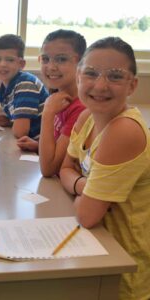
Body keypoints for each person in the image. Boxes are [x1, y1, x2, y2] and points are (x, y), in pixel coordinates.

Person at [59, 37, 150, 300]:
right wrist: (83, 187)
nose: (100, 85)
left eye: (115, 76)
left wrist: (82, 195)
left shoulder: (124, 131)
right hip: (94, 247)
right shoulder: (86, 118)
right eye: (90, 73)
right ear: (78, 77)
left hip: (123, 267)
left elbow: (87, 215)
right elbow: (65, 168)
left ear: (132, 85)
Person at [17, 29, 86, 177]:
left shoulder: (81, 108)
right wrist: (38, 146)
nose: (51, 67)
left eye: (61, 59)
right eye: (45, 59)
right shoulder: (59, 95)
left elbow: (49, 169)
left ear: (81, 63)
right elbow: (60, 145)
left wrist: (48, 112)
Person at [0, 34, 49, 139]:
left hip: (41, 146)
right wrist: (8, 121)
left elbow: (20, 132)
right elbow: (24, 121)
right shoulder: (7, 87)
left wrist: (16, 124)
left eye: (10, 60)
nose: (2, 64)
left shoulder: (25, 85)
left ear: (21, 64)